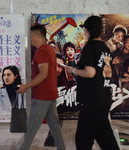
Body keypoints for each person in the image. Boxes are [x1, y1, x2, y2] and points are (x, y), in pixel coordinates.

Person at [64, 15, 120, 150]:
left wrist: (73, 70)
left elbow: (90, 73)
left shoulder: (90, 47)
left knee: (83, 140)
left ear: (87, 30)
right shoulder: (105, 47)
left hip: (92, 101)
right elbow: (107, 73)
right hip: (104, 98)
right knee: (105, 138)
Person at [17, 24, 65, 150]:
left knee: (31, 127)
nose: (30, 38)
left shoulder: (42, 51)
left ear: (36, 35)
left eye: (31, 35)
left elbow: (43, 74)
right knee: (54, 126)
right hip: (50, 94)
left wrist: (26, 86)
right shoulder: (49, 49)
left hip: (42, 96)